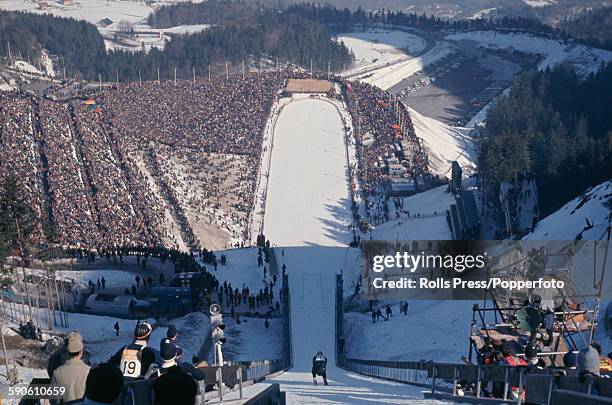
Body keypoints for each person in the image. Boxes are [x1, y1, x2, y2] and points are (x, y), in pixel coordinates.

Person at [50, 333, 91, 403]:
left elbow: (53, 399)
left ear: (68, 352)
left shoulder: (57, 372)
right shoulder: (89, 371)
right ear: (81, 353)